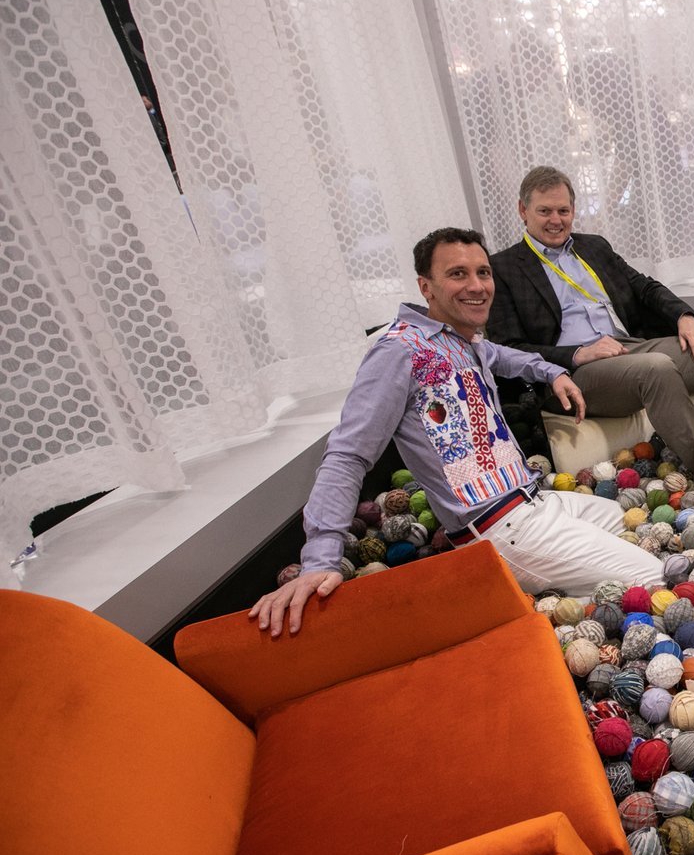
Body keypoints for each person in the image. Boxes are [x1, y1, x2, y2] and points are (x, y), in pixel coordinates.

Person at [251, 227, 664, 638]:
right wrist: (320, 560)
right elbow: (347, 454)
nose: (477, 286)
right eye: (457, 274)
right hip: (500, 529)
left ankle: (552, 586)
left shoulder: (463, 340)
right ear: (426, 287)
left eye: (483, 273)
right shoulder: (399, 350)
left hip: (533, 501)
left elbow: (504, 356)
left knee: (625, 518)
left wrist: (552, 371)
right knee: (653, 578)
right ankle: (536, 612)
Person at [487, 165, 694, 487]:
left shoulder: (594, 247)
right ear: (523, 210)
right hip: (575, 372)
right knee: (656, 368)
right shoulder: (502, 268)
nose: (556, 220)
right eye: (545, 211)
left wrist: (684, 316)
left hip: (630, 347)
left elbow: (645, 287)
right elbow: (507, 348)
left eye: (563, 211)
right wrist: (578, 353)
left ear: (573, 211)